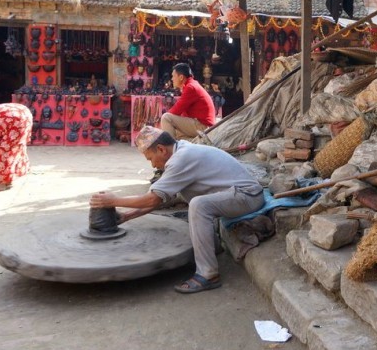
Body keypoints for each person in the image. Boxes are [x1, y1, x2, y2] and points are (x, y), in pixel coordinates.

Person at [89, 126, 264, 294]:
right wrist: (127, 216)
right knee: (194, 198)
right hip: (235, 195)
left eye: (150, 159)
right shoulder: (181, 151)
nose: (152, 165)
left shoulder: (181, 159)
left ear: (161, 149)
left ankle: (208, 274)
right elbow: (162, 198)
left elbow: (152, 199)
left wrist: (113, 200)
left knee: (199, 205)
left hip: (248, 196)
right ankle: (214, 247)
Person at [161, 63, 215, 140]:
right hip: (202, 125)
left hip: (204, 127)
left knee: (166, 118)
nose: (172, 79)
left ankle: (170, 149)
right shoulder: (191, 85)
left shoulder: (190, 87)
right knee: (176, 132)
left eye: (173, 76)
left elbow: (175, 111)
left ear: (181, 77)